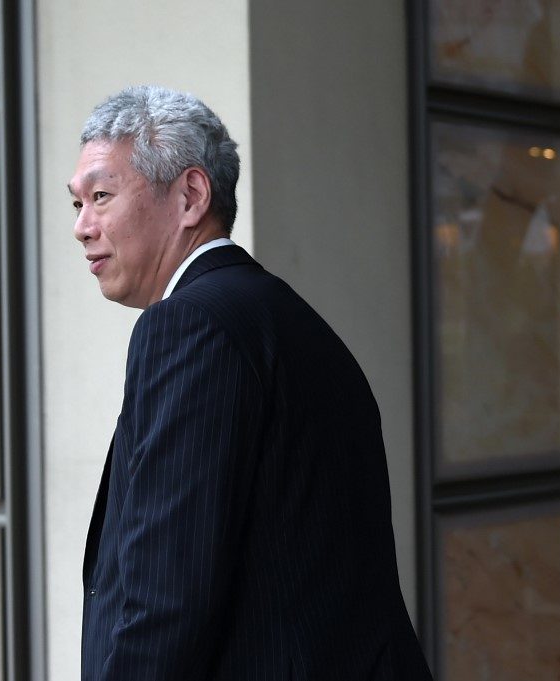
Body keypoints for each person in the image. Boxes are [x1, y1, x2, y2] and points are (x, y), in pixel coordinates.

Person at [69, 85, 432, 681]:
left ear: (190, 195)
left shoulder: (190, 325)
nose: (83, 227)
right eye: (77, 204)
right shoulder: (277, 315)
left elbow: (167, 594)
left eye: (102, 196)